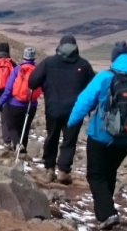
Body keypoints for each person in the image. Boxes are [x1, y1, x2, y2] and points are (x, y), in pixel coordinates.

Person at [68, 41, 127, 231]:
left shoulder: (104, 77)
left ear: (113, 58)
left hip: (100, 136)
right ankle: (107, 209)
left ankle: (107, 214)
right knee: (109, 172)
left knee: (95, 174)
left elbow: (84, 101)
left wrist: (72, 122)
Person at [29, 35, 95, 184]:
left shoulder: (49, 62)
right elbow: (92, 89)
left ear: (60, 46)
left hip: (53, 107)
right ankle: (63, 171)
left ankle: (49, 169)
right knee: (69, 140)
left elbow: (33, 82)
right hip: (75, 109)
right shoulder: (84, 65)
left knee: (52, 136)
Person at [0, 47, 40, 155]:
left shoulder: (18, 69)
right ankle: (23, 151)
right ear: (33, 58)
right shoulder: (38, 70)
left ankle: (17, 144)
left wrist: (0, 103)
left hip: (15, 104)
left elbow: (8, 88)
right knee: (25, 128)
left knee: (12, 126)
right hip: (31, 104)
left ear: (24, 57)